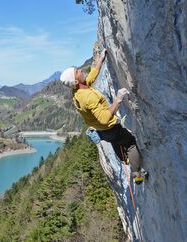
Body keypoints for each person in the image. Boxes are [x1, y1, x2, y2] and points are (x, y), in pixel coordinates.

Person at [60, 50, 147, 183]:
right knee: (130, 144)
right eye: (78, 72)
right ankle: (138, 175)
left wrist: (100, 59)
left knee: (116, 142)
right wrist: (118, 99)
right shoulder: (87, 97)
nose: (82, 70)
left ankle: (125, 160)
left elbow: (90, 78)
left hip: (102, 132)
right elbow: (104, 118)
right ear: (76, 81)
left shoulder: (77, 91)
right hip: (110, 128)